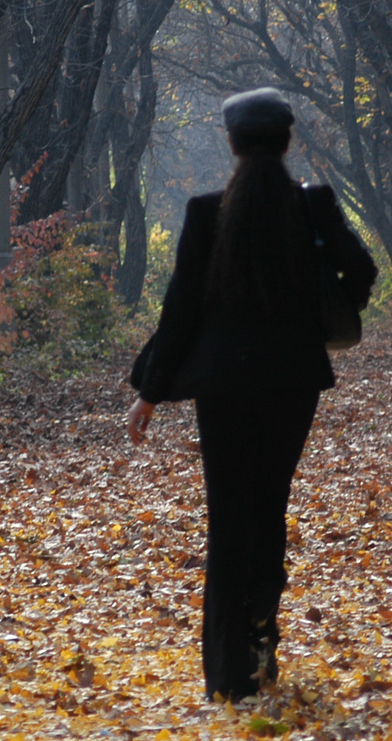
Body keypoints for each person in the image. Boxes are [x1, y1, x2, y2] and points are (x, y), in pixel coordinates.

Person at [125, 88, 377, 701]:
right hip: (293, 381)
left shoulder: (205, 213)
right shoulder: (312, 207)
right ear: (287, 142)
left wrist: (150, 393)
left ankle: (226, 676)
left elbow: (179, 308)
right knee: (269, 504)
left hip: (223, 385)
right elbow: (363, 272)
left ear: (232, 145)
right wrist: (319, 318)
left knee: (228, 517)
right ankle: (263, 631)